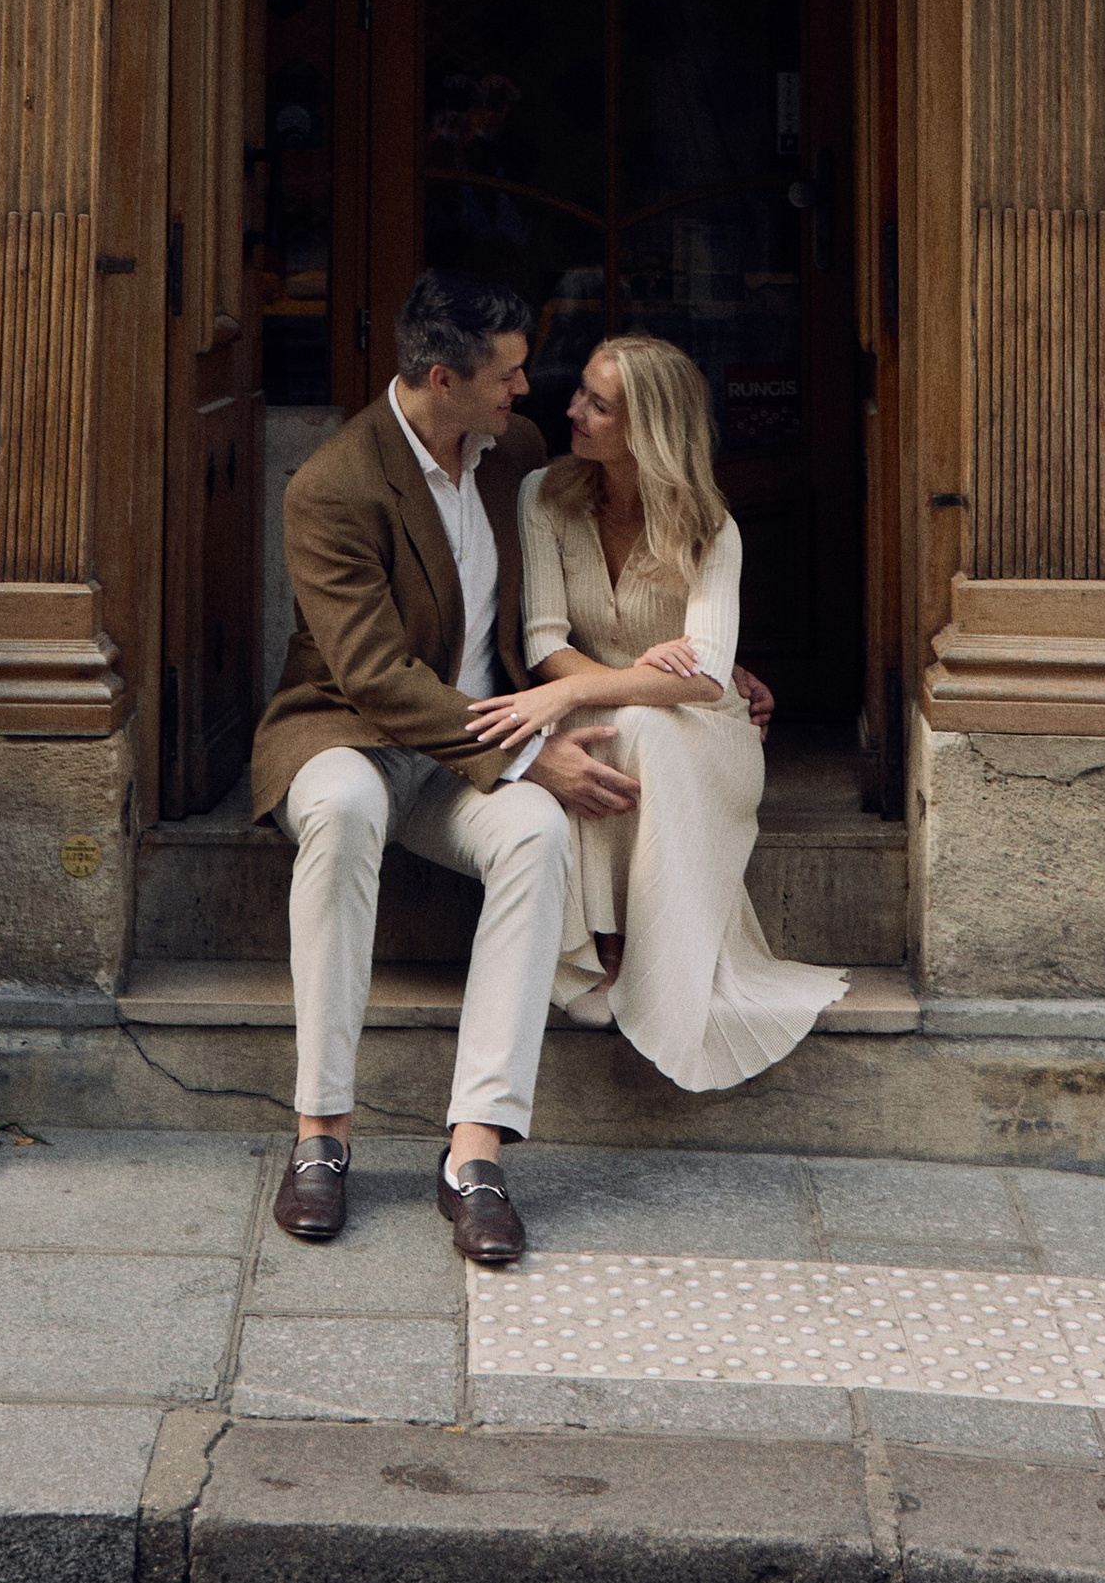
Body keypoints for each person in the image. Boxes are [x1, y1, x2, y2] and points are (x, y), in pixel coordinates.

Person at [250, 267, 641, 1266]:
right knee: (338, 808)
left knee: (540, 834)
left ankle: (475, 1150)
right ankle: (321, 1136)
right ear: (440, 377)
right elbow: (376, 677)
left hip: (462, 765)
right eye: (507, 375)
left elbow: (589, 576)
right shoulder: (332, 484)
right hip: (350, 735)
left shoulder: (512, 453)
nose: (524, 391)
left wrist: (694, 668)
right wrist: (525, 751)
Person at [467, 332, 847, 1091]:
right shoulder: (542, 495)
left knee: (618, 722)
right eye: (580, 391)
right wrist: (625, 679)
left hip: (711, 740)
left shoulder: (713, 529)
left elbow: (705, 680)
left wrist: (582, 688)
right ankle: (607, 946)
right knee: (619, 723)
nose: (571, 409)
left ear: (647, 431)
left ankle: (628, 951)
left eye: (596, 404)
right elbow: (543, 641)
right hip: (618, 719)